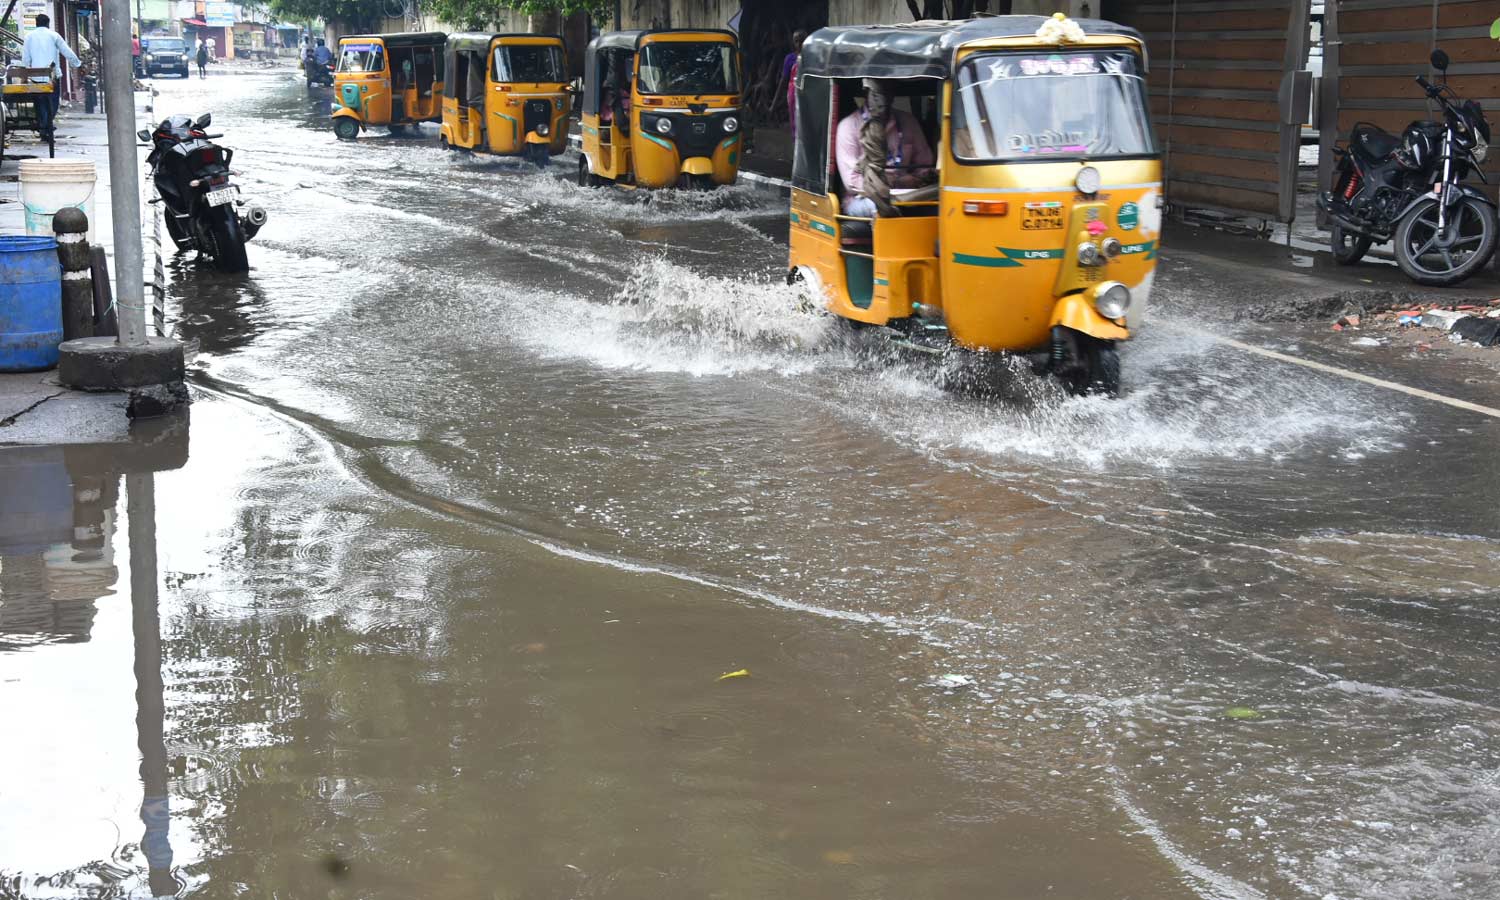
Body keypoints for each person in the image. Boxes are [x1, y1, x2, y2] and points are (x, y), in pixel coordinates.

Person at [835, 85, 935, 217]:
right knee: (882, 208)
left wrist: (917, 179)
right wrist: (893, 183)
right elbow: (851, 182)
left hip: (908, 194)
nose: (882, 99)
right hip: (864, 198)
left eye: (887, 91)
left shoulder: (908, 121)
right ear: (866, 94)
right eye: (877, 94)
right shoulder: (848, 126)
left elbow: (926, 166)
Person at [20, 14, 82, 139]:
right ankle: (47, 124)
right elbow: (66, 50)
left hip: (36, 77)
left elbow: (26, 58)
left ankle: (44, 126)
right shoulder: (54, 35)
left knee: (39, 103)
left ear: (36, 23)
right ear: (48, 24)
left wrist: (24, 74)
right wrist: (76, 63)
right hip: (52, 77)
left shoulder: (29, 37)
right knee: (53, 103)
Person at [779, 30, 806, 135]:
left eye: (801, 41)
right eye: (796, 41)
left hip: (806, 93)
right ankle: (796, 147)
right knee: (794, 122)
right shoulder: (789, 58)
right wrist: (775, 102)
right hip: (793, 95)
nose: (799, 44)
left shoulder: (811, 57)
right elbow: (784, 79)